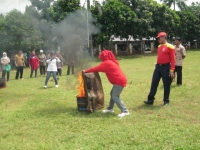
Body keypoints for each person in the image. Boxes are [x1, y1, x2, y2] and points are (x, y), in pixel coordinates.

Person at [84, 50, 129, 118]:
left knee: (115, 96)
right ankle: (110, 108)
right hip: (119, 80)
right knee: (112, 94)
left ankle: (125, 111)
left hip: (119, 81)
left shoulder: (106, 63)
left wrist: (85, 71)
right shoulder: (110, 62)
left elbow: (95, 68)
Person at [144, 32, 175, 106]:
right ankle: (150, 99)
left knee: (166, 84)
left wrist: (172, 71)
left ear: (164, 37)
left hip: (166, 67)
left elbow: (173, 59)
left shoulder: (170, 47)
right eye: (157, 38)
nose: (158, 39)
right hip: (158, 67)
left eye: (159, 38)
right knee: (154, 83)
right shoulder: (159, 47)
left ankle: (166, 101)